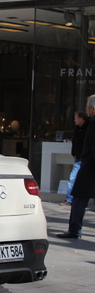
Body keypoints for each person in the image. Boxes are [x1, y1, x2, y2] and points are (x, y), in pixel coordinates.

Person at [57, 95, 95, 239]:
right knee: (79, 198)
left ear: (92, 108)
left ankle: (74, 230)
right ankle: (74, 229)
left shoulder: (93, 123)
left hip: (89, 167)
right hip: (88, 165)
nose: (86, 108)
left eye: (87, 106)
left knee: (78, 198)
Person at [60, 111, 89, 206]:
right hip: (78, 158)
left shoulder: (89, 128)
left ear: (81, 119)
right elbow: (74, 142)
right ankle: (70, 199)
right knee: (73, 178)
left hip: (86, 158)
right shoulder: (76, 129)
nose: (74, 120)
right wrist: (74, 153)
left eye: (76, 118)